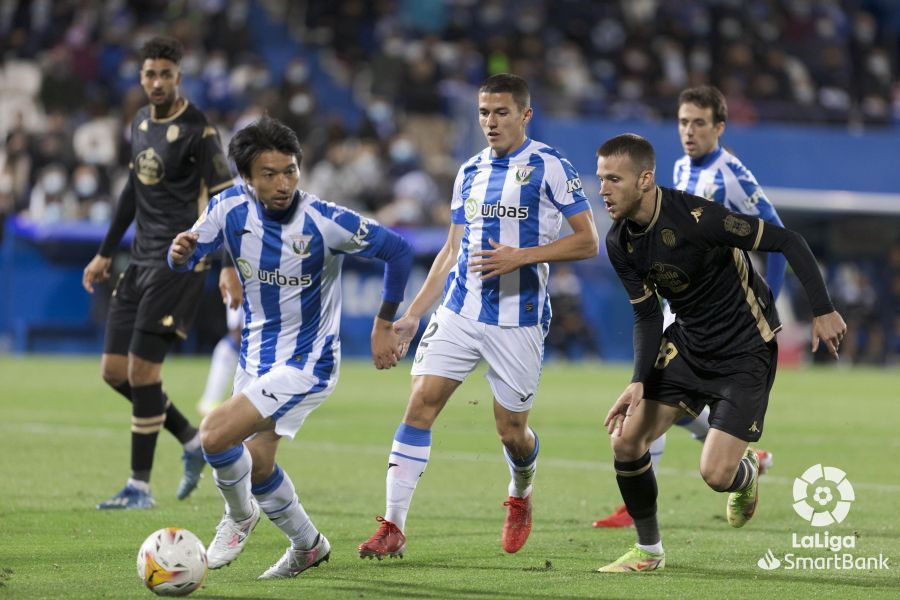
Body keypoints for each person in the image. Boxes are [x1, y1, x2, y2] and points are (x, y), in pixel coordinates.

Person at [357, 73, 599, 559]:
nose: (491, 121)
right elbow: (451, 251)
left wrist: (521, 257)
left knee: (512, 432)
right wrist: (412, 316)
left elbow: (588, 241)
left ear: (525, 115)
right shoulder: (467, 170)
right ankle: (393, 526)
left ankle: (521, 490)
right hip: (461, 311)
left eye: (501, 112)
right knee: (421, 402)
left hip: (519, 318)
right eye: (484, 112)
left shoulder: (550, 166)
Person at [168, 115, 414, 579]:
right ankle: (309, 546)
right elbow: (187, 255)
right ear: (246, 178)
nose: (283, 183)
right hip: (256, 358)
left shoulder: (324, 220)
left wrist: (385, 323)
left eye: (290, 171)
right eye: (269, 174)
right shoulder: (227, 209)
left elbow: (398, 250)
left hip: (308, 364)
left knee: (215, 434)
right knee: (259, 468)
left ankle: (238, 517)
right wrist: (179, 254)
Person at [594, 134, 846, 572]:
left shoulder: (698, 218)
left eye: (613, 179)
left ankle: (745, 472)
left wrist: (822, 310)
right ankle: (649, 552)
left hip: (745, 351)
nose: (603, 190)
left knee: (715, 476)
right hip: (689, 344)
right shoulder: (620, 242)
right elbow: (649, 317)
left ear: (645, 179)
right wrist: (637, 380)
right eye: (601, 179)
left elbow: (790, 241)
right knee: (626, 440)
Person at [594, 85, 782, 528]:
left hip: (728, 310)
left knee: (674, 410)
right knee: (660, 404)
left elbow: (774, 234)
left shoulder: (731, 175)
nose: (689, 131)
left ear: (719, 127)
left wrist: (768, 305)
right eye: (682, 122)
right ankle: (644, 494)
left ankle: (734, 463)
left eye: (699, 123)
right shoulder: (678, 168)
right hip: (683, 307)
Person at [82, 36, 234, 509]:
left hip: (179, 262)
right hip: (139, 261)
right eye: (150, 74)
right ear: (141, 76)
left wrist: (228, 266)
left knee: (144, 374)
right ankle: (191, 441)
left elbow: (226, 199)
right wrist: (106, 252)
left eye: (166, 74)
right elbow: (132, 191)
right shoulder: (140, 123)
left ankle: (139, 487)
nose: (157, 82)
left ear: (178, 78)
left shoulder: (198, 130)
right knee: (114, 372)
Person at [196, 262, 243, 416]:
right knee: (234, 340)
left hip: (260, 271)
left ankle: (213, 399)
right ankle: (212, 399)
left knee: (234, 342)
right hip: (242, 269)